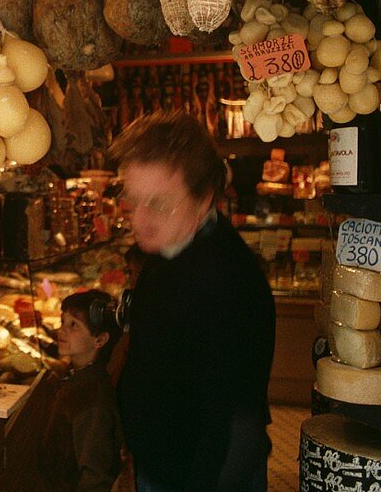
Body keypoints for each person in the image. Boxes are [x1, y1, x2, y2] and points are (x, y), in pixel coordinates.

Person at [111, 112, 275, 492]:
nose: (140, 219)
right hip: (165, 464)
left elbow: (232, 420)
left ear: (205, 198)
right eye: (131, 200)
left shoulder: (225, 283)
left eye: (158, 203)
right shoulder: (171, 246)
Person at [36, 289, 124, 492]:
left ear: (100, 340)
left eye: (73, 325)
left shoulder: (92, 400)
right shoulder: (77, 376)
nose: (61, 331)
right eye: (63, 322)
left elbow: (94, 478)